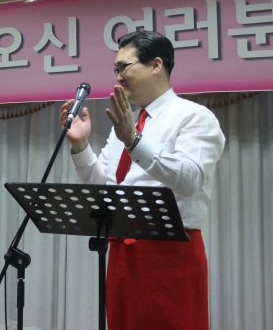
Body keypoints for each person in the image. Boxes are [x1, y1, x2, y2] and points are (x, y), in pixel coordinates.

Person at [59, 31, 225, 330]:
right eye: (115, 69)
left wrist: (134, 141)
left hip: (170, 253)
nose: (118, 77)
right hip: (122, 250)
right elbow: (105, 187)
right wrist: (81, 145)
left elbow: (190, 180)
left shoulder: (194, 117)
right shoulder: (128, 122)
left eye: (124, 67)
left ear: (156, 65)